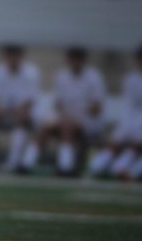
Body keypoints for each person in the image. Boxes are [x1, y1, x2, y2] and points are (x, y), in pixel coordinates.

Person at [89, 43, 142, 181]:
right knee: (116, 141)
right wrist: (126, 128)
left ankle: (125, 171)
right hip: (131, 124)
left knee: (139, 144)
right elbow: (129, 107)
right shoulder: (131, 80)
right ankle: (96, 168)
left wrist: (138, 129)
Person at [25, 47, 106, 175]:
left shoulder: (94, 77)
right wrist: (64, 116)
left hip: (88, 121)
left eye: (78, 59)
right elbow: (59, 103)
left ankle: (65, 166)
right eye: (72, 59)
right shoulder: (62, 76)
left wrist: (76, 117)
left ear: (83, 61)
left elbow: (97, 107)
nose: (75, 62)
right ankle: (27, 163)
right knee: (46, 127)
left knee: (66, 127)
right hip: (65, 118)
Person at [0, 45, 41, 173]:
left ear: (20, 58)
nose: (12, 60)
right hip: (4, 112)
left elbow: (29, 102)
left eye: (15, 56)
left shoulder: (31, 72)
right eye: (10, 56)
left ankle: (14, 161)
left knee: (22, 118)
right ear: (5, 58)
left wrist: (13, 110)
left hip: (23, 114)